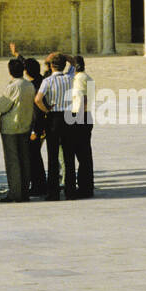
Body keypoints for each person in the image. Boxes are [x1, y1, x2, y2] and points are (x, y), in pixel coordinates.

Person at [34, 52, 76, 200]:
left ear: (51, 66)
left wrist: (47, 110)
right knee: (69, 155)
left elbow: (38, 99)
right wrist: (63, 55)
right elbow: (74, 63)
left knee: (52, 156)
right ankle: (71, 191)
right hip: (68, 117)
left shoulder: (47, 81)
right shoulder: (70, 78)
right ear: (64, 65)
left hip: (53, 118)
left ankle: (53, 192)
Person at [0, 58, 35, 202]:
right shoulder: (29, 85)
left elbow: (3, 106)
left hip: (11, 128)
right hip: (25, 126)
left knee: (13, 161)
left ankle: (15, 193)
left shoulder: (12, 87)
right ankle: (24, 191)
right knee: (25, 159)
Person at [65, 54, 95, 198]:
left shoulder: (79, 79)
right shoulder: (87, 77)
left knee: (81, 155)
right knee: (85, 156)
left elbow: (82, 99)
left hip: (79, 117)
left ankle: (84, 187)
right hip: (86, 116)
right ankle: (87, 185)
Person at [24, 57, 48, 197]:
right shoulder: (43, 80)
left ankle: (39, 186)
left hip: (37, 126)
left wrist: (35, 130)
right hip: (44, 124)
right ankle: (40, 184)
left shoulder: (32, 86)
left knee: (33, 157)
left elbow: (37, 111)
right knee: (35, 156)